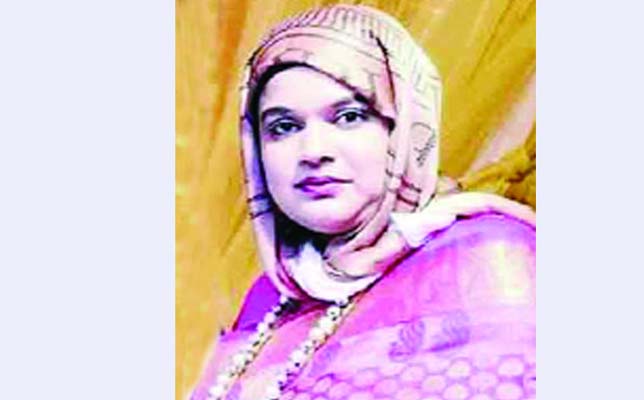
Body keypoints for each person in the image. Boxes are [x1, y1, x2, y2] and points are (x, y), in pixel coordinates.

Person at [192, 4, 535, 400]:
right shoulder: (271, 298)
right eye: (284, 127)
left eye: (349, 117)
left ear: (404, 127)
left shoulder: (480, 257)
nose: (313, 151)